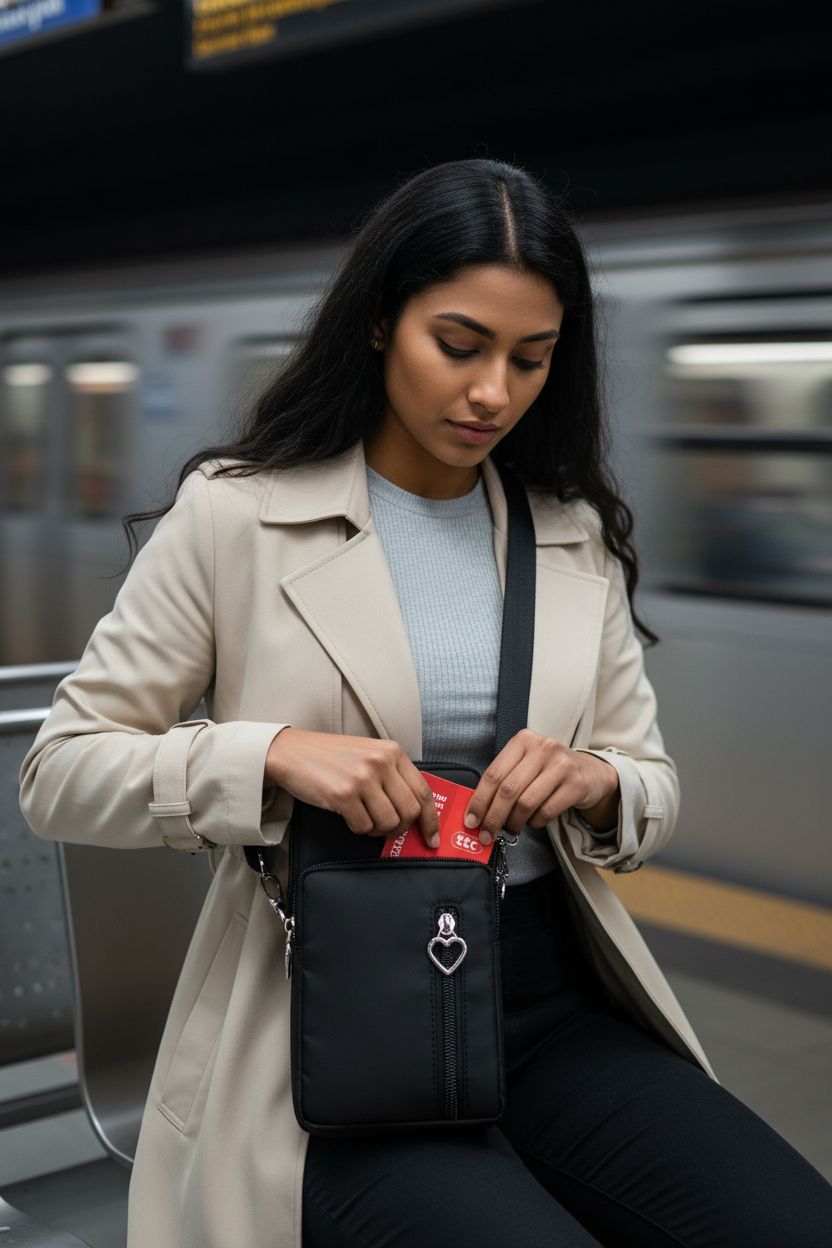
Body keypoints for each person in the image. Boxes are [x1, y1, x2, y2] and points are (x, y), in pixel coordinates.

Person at [18, 158, 832, 1248]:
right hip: (338, 1023)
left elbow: (650, 784)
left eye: (530, 359)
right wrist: (269, 756)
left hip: (550, 1000)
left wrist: (594, 787)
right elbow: (60, 768)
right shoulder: (235, 516)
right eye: (458, 345)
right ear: (376, 324)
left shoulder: (569, 530)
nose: (492, 391)